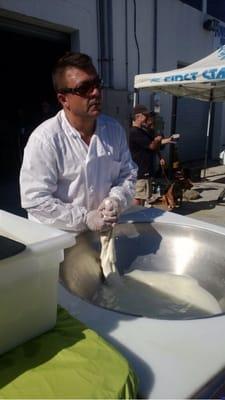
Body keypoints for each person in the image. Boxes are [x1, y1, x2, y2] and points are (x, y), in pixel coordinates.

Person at [20, 52, 137, 293]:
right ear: (63, 98)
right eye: (84, 88)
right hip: (59, 246)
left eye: (97, 84)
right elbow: (35, 201)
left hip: (99, 239)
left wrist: (116, 198)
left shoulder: (113, 131)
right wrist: (85, 218)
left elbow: (127, 174)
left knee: (107, 296)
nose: (95, 93)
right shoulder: (45, 140)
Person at [129, 104, 172, 206]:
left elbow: (154, 145)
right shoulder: (135, 132)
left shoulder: (143, 131)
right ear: (138, 116)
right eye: (145, 116)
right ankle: (135, 216)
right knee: (138, 197)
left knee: (143, 197)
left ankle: (139, 215)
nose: (147, 118)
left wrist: (169, 140)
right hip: (140, 171)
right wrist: (157, 139)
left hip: (146, 170)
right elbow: (152, 145)